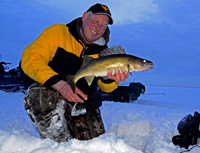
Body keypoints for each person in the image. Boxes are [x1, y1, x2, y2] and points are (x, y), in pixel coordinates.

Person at [21, 3, 128, 142]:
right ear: (84, 16)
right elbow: (30, 58)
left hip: (83, 102)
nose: (98, 28)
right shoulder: (57, 33)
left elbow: (106, 87)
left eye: (103, 26)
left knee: (95, 145)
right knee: (38, 97)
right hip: (54, 94)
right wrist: (60, 85)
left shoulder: (104, 52)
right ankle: (58, 144)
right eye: (96, 21)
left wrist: (110, 79)